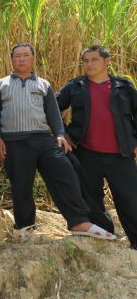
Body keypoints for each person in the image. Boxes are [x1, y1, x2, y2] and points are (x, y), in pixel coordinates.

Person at [0, 43, 115, 241]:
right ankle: (25, 227)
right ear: (12, 60)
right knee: (21, 185)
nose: (22, 59)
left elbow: (53, 113)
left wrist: (59, 133)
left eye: (26, 55)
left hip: (42, 139)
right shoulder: (1, 85)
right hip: (14, 141)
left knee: (64, 172)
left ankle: (78, 221)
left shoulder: (43, 84)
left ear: (32, 59)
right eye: (17, 56)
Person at [57, 45, 137, 249]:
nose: (89, 64)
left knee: (130, 199)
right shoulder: (75, 86)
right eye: (86, 61)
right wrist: (63, 132)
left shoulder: (124, 86)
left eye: (94, 60)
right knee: (92, 200)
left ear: (106, 61)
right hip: (86, 153)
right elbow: (52, 107)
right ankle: (106, 238)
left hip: (121, 155)